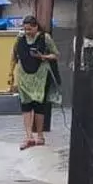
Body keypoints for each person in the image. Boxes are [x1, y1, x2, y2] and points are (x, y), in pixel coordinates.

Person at [7, 15, 60, 150]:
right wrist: (10, 74)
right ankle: (29, 136)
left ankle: (40, 135)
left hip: (40, 76)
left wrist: (42, 56)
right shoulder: (19, 39)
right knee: (26, 105)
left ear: (36, 27)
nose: (27, 32)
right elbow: (13, 56)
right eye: (25, 29)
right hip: (24, 75)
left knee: (38, 105)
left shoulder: (45, 38)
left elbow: (56, 55)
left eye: (30, 29)